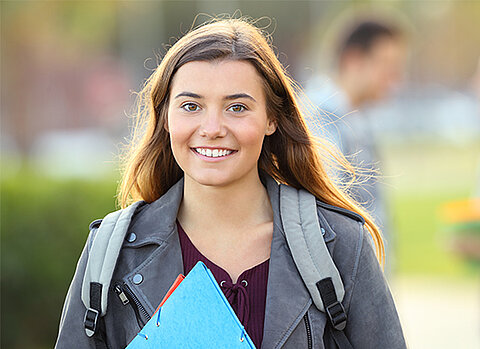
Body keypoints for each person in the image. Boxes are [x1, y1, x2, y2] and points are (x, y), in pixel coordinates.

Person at [55, 18, 406, 348]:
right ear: (165, 118)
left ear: (272, 118)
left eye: (237, 108)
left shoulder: (341, 245)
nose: (212, 127)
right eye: (191, 106)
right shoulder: (112, 252)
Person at [305, 20, 407, 273]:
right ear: (353, 60)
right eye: (387, 66)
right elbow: (326, 220)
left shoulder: (354, 118)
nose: (395, 78)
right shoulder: (319, 122)